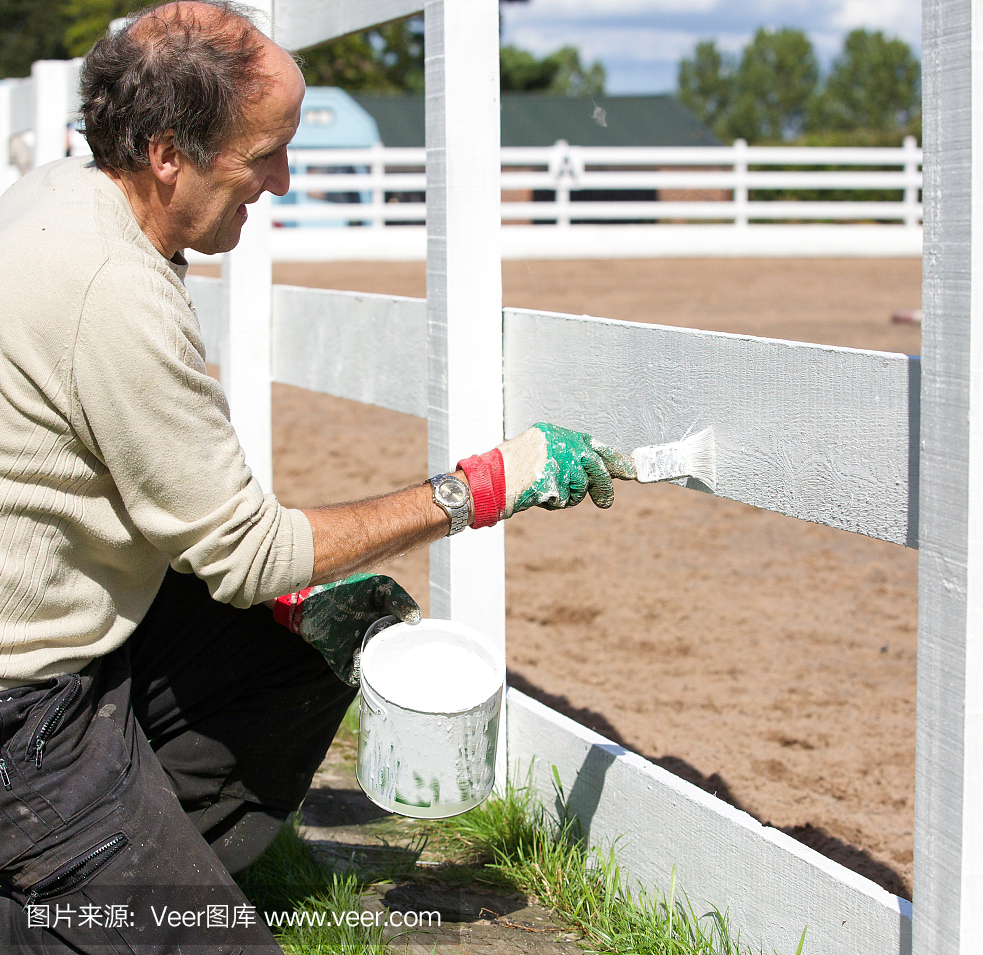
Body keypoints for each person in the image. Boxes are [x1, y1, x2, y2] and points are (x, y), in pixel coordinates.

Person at [0, 2, 633, 950]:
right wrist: (483, 486)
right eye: (264, 153)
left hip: (77, 646)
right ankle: (58, 883)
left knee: (324, 637)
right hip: (27, 714)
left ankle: (113, 859)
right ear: (169, 153)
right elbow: (251, 555)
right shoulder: (113, 292)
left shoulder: (63, 194)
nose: (283, 179)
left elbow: (160, 504)